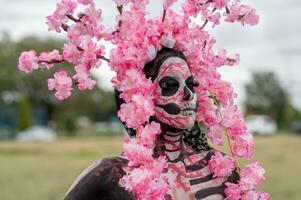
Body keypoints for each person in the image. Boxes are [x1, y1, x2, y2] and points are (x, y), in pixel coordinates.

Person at [64, 48, 239, 200]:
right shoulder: (113, 174)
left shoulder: (221, 167)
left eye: (190, 84)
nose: (188, 94)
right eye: (170, 85)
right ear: (140, 96)